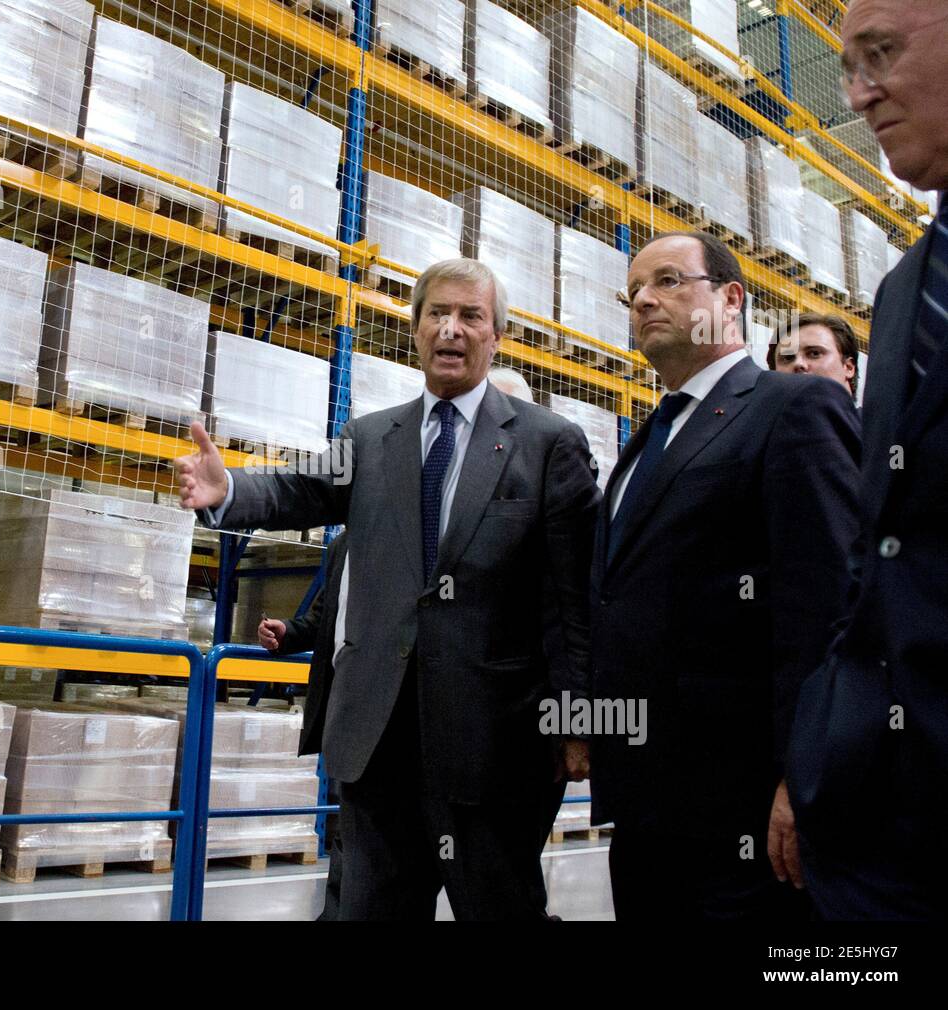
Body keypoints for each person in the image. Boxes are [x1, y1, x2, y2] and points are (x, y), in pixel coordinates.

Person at [176, 258, 599, 921]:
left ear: (498, 336)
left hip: (497, 743)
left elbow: (573, 601)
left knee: (501, 907)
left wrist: (578, 722)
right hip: (379, 740)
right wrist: (229, 491)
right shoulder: (371, 439)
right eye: (438, 314)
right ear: (416, 328)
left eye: (471, 316)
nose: (452, 329)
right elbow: (300, 489)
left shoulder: (549, 445)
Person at [590, 230, 861, 921]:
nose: (644, 299)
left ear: (730, 298)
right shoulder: (648, 440)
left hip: (745, 812)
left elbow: (829, 604)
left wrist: (803, 778)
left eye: (669, 281)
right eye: (634, 292)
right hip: (649, 809)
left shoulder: (793, 408)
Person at [787, 0, 948, 919]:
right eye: (848, 65)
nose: (857, 92)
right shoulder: (899, 293)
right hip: (882, 828)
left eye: (881, 55)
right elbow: (875, 549)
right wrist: (823, 746)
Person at [257, 531, 347, 921]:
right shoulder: (346, 545)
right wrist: (286, 632)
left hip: (405, 712)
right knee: (351, 832)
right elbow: (323, 618)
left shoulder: (419, 540)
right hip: (349, 710)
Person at [767, 312, 861, 400]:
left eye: (815, 353)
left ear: (848, 367)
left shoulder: (873, 417)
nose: (798, 363)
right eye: (788, 358)